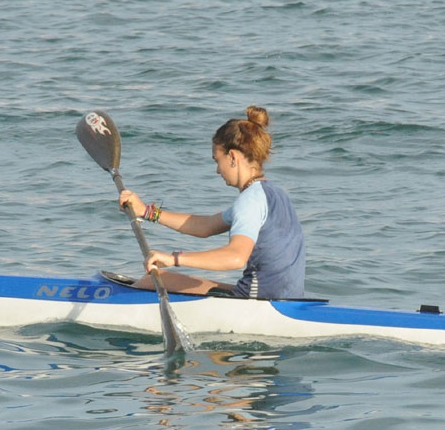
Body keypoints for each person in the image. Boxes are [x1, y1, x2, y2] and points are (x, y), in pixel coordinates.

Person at [117, 106, 306, 299]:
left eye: (217, 160)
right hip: (288, 300)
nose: (217, 170)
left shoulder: (250, 201)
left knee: (150, 282)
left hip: (257, 301)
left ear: (232, 157)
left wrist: (174, 258)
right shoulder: (275, 195)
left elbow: (236, 257)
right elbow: (206, 226)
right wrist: (147, 212)